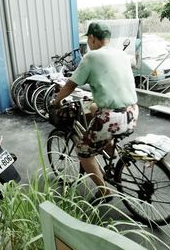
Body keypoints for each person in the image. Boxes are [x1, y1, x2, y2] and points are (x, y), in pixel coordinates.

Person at [52, 22, 139, 203]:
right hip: (132, 113)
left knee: (83, 151)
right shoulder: (121, 54)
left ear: (92, 38)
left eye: (88, 39)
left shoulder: (91, 57)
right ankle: (109, 149)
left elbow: (70, 84)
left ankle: (104, 191)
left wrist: (57, 100)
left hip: (112, 118)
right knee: (92, 108)